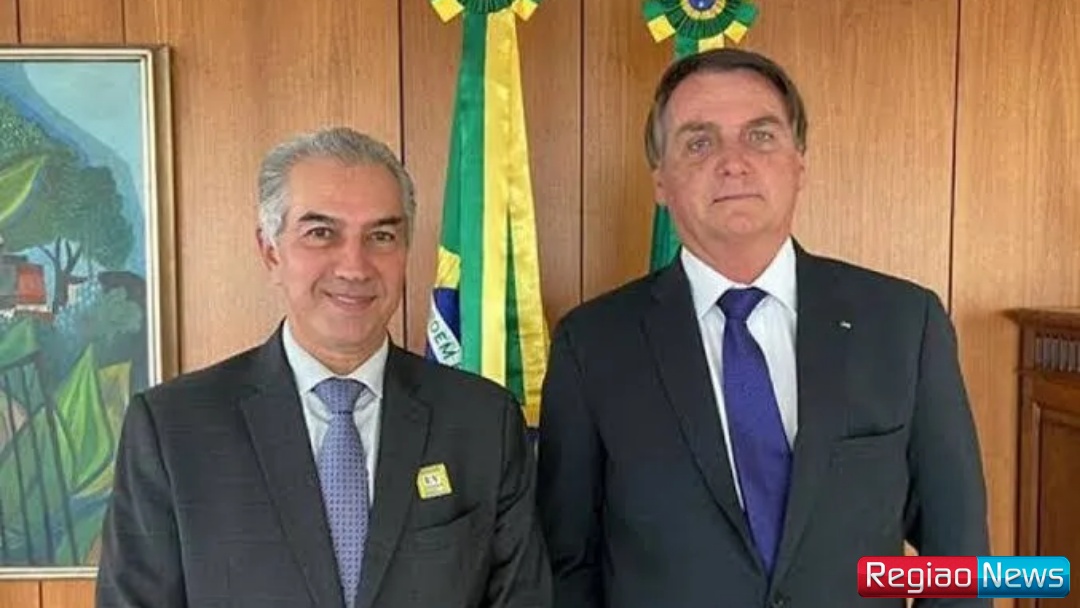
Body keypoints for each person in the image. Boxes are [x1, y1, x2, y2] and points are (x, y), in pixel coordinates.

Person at [536, 48, 989, 608]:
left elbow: (959, 558)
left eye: (761, 136)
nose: (733, 162)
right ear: (660, 181)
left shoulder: (905, 324)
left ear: (799, 163)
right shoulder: (591, 345)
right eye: (699, 142)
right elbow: (568, 566)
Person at [96, 127, 551, 608]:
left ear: (405, 252)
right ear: (270, 251)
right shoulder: (173, 429)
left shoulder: (484, 422)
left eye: (381, 236)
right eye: (321, 233)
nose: (354, 267)